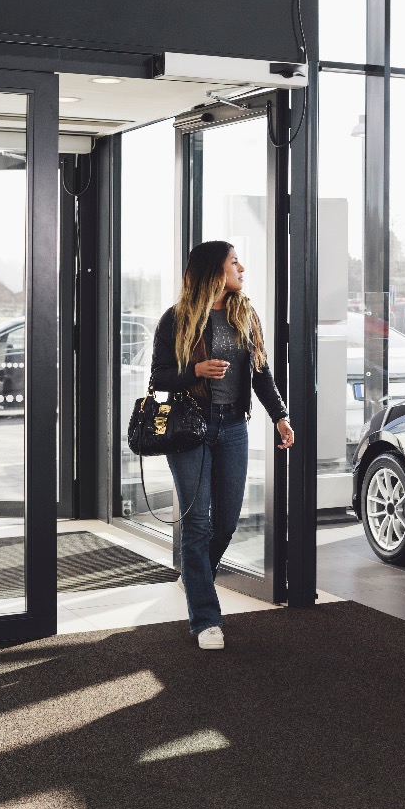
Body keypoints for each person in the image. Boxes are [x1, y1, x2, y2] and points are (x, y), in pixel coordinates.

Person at [149, 241, 295, 650]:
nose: (242, 267)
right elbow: (159, 378)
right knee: (197, 524)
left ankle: (195, 577)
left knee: (227, 522)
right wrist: (194, 369)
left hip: (233, 428)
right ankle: (206, 620)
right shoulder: (176, 319)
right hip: (189, 431)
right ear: (215, 270)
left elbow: (263, 376)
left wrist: (280, 415)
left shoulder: (245, 316)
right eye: (234, 262)